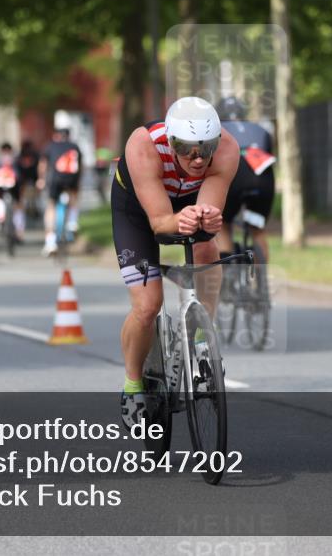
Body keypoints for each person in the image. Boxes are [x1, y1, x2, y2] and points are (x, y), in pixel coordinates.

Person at [111, 97, 239, 428]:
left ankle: (201, 344)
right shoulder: (143, 145)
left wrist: (208, 220)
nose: (197, 159)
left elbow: (209, 210)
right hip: (138, 210)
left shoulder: (227, 149)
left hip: (186, 200)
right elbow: (159, 223)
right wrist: (177, 220)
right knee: (147, 305)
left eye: (205, 148)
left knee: (208, 251)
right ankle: (132, 384)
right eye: (186, 148)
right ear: (171, 141)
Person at [215, 96, 276, 263]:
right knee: (257, 229)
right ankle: (261, 284)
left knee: (223, 225)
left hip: (235, 174)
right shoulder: (261, 129)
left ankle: (228, 275)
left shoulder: (216, 129)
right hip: (262, 176)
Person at [37, 116, 83, 257]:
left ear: (55, 135)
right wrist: (77, 184)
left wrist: (41, 179)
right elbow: (80, 167)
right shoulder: (75, 147)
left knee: (51, 206)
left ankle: (50, 243)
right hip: (71, 179)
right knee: (74, 197)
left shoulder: (50, 146)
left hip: (55, 179)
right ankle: (72, 222)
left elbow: (43, 165)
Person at [15, 139, 41, 222]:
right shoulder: (21, 157)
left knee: (30, 197)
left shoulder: (35, 156)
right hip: (27, 180)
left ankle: (30, 208)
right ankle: (29, 208)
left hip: (30, 179)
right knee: (29, 197)